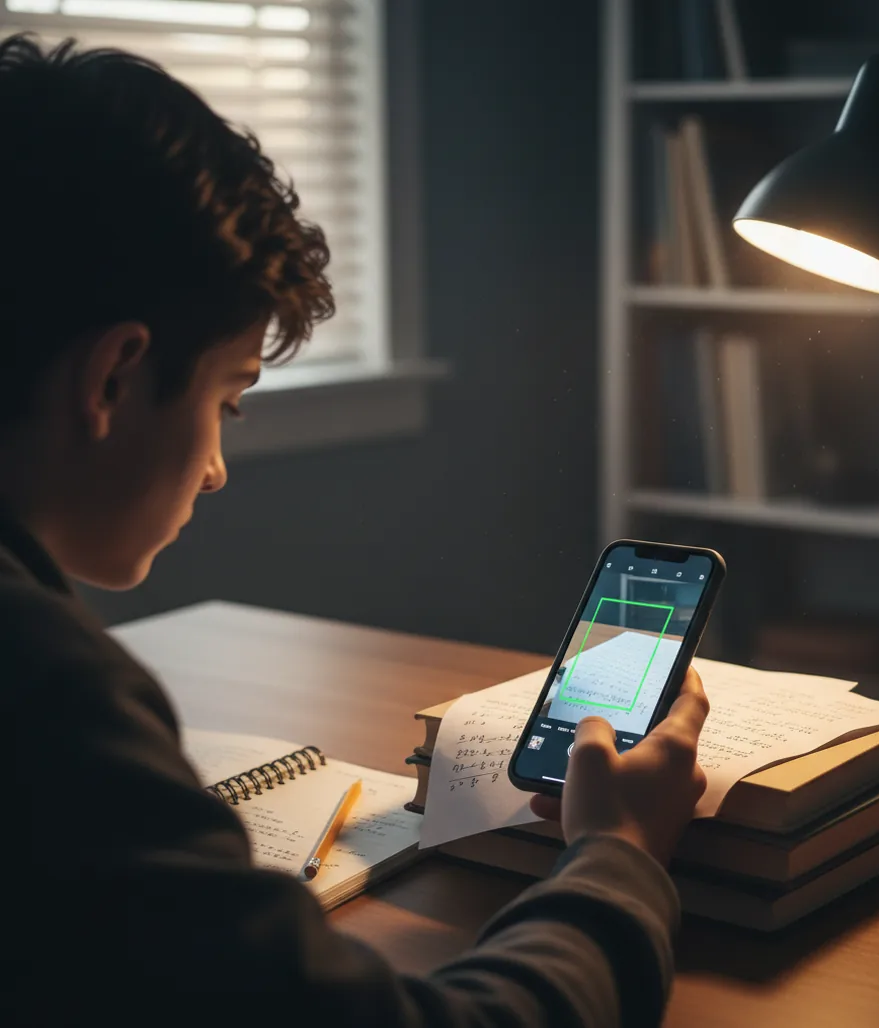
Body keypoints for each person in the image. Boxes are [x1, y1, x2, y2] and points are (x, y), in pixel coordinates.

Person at [2, 34, 709, 1024]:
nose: (215, 468)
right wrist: (619, 854)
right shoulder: (49, 698)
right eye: (227, 399)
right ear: (114, 377)